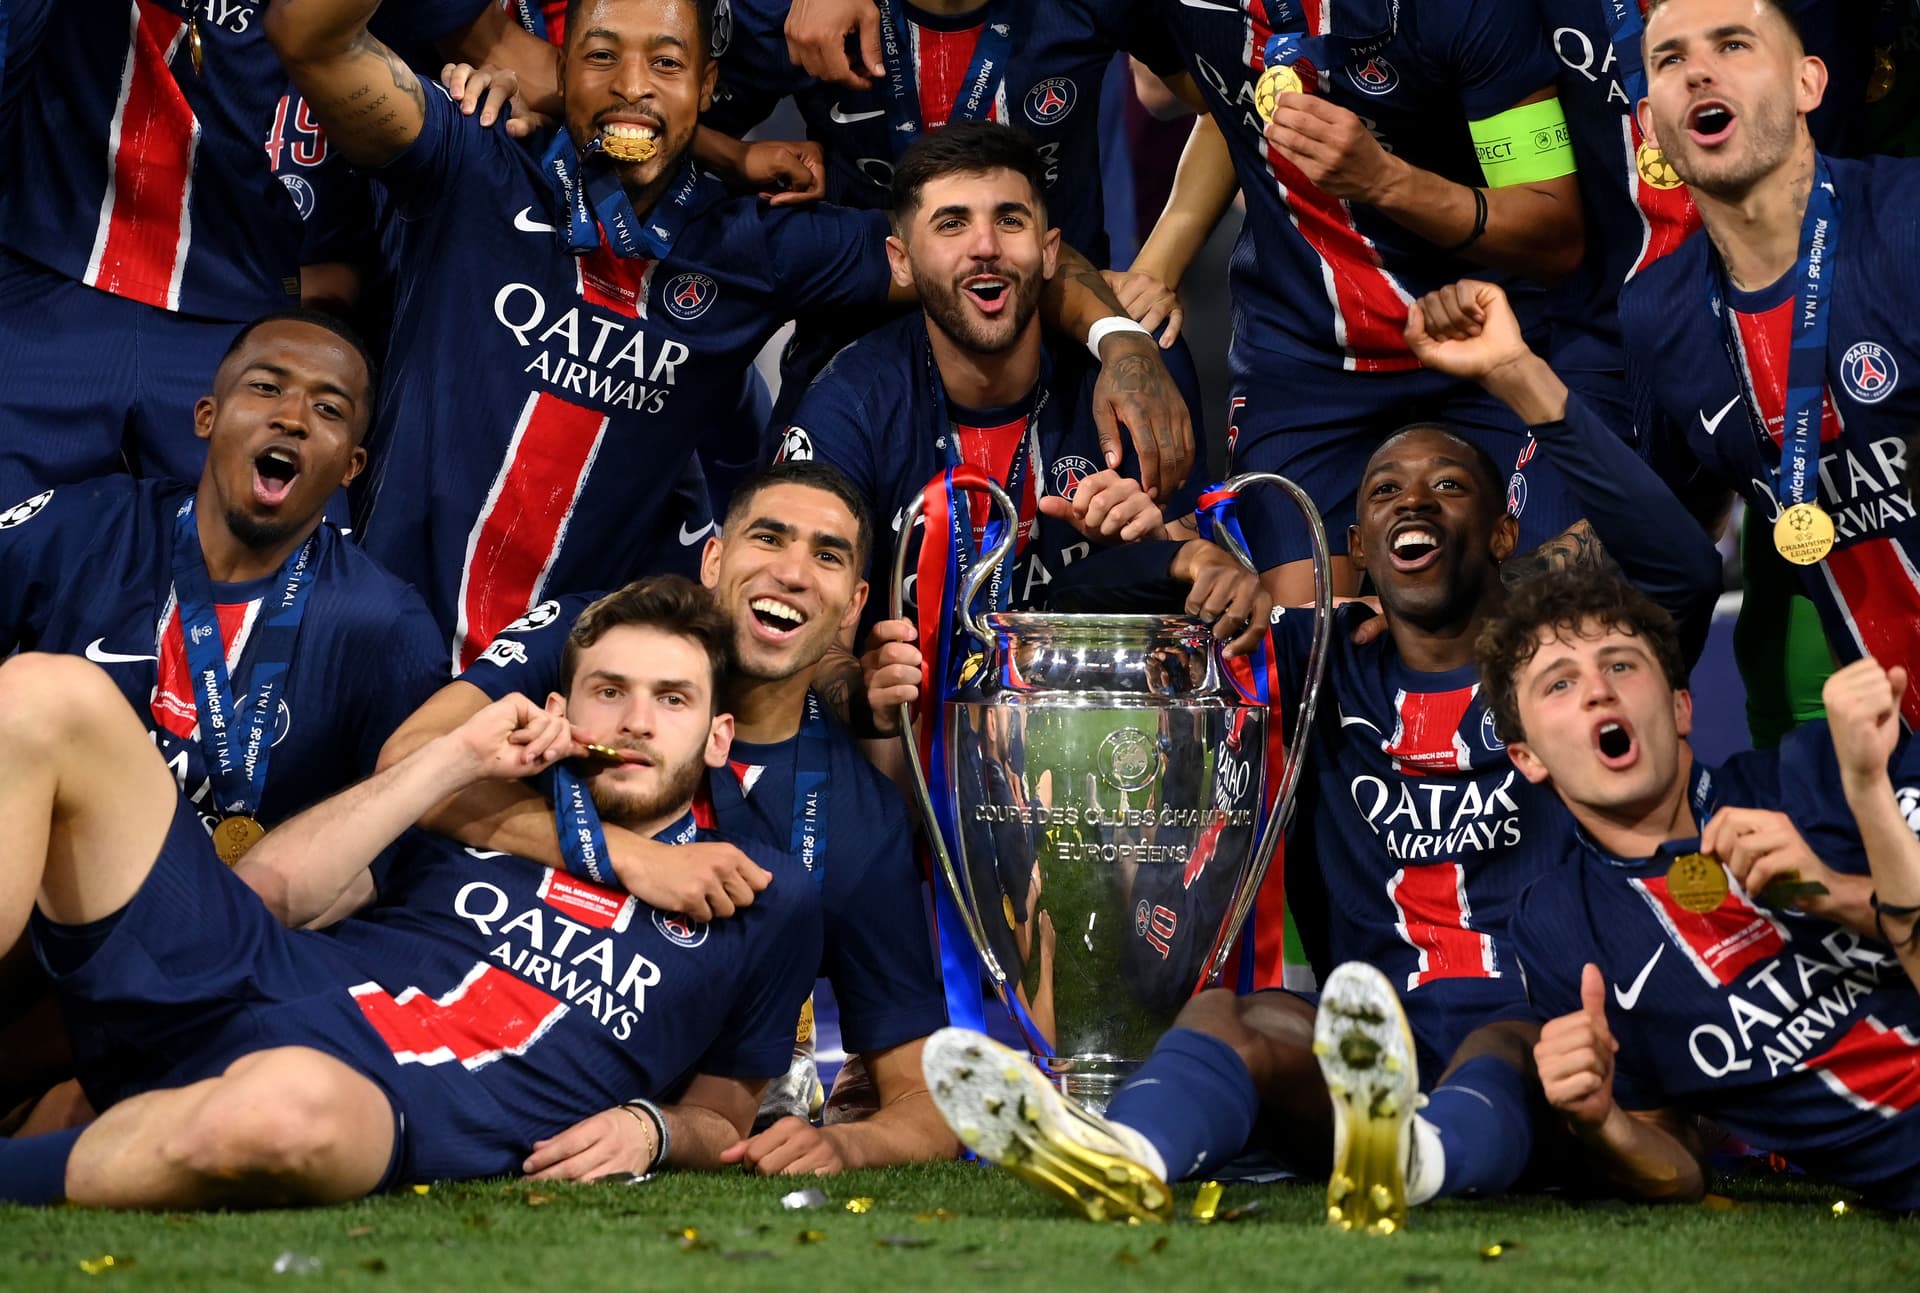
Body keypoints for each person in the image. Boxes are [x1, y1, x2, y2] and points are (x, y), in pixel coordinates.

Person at [913, 408, 1724, 1227]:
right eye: (1384, 491)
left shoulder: (1555, 682)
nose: (1414, 501)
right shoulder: (1315, 657)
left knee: (1505, 1042)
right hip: (1369, 1041)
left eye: (1448, 485)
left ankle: (1417, 1157)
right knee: (1229, 1017)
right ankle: (1120, 1154)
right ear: (1359, 549)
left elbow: (1686, 572)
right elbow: (1078, 595)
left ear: (1503, 534)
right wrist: (1192, 560)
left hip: (1541, 1051)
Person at [264, 0, 1194, 669]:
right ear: (557, 70)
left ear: (709, 86)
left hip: (564, 680)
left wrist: (1116, 334)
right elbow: (308, 35)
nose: (632, 88)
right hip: (372, 643)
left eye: (666, 64)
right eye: (600, 58)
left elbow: (973, 251)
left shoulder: (760, 247)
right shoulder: (470, 163)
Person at [0, 577, 824, 1207]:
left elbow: (722, 1117)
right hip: (258, 976)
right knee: (47, 692)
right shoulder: (488, 805)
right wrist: (455, 756)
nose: (636, 721)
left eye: (672, 699)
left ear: (719, 736)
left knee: (283, 1108)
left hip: (381, 1097)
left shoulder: (762, 892)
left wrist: (652, 1127)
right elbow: (266, 894)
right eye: (609, 691)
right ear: (562, 708)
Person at [377, 463, 956, 1175]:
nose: (792, 573)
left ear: (853, 604)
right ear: (713, 558)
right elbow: (407, 762)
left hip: (597, 1111)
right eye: (768, 538)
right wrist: (621, 855)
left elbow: (928, 1103)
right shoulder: (598, 643)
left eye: (827, 555)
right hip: (424, 1010)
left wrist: (841, 1143)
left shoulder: (860, 817)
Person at [1508, 0, 1920, 728]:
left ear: (1808, 83)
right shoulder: (1659, 316)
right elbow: (1677, 528)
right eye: (1669, 60)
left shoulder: (1906, 219)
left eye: (1733, 45)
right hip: (1884, 736)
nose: (1700, 71)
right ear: (1648, 124)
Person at [1104, 0, 1587, 606]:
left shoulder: (1468, 11)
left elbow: (1554, 230)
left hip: (1479, 341)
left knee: (1534, 627)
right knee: (1308, 641)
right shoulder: (1196, 8)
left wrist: (1385, 179)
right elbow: (1222, 95)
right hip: (1301, 358)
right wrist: (1158, 261)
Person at [1481, 568, 1920, 1209]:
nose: (1599, 693)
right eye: (1560, 684)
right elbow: (1680, 1173)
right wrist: (1604, 1122)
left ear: (1681, 706)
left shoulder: (1828, 772)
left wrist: (1835, 890)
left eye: (1622, 666)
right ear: (1528, 757)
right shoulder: (1558, 927)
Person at [778, 123, 1246, 718]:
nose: (985, 247)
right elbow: (805, 635)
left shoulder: (1136, 383)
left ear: (1050, 251)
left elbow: (1210, 602)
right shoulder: (851, 405)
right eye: (951, 224)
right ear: (901, 261)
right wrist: (860, 690)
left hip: (1097, 740)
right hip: (914, 746)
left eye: (1010, 220)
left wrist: (1151, 548)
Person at [0, 0, 509, 497]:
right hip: (41, 270)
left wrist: (506, 85)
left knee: (280, 570)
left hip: (237, 302)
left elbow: (505, 53)